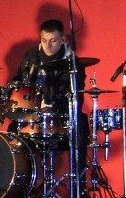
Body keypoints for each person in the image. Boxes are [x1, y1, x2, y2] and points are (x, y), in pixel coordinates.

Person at [11, 19, 88, 187]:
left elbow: (77, 96)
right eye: (44, 40)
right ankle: (20, 187)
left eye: (53, 40)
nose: (48, 45)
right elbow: (17, 83)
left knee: (81, 125)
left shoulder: (73, 62)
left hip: (61, 117)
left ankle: (79, 189)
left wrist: (53, 108)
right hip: (32, 115)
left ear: (63, 39)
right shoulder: (31, 57)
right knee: (11, 130)